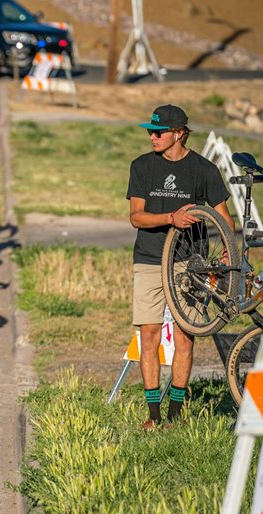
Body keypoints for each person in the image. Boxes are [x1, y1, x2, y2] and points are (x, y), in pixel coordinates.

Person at [127, 104, 234, 428]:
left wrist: (228, 258)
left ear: (179, 134)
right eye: (150, 130)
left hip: (189, 262)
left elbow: (224, 219)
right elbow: (136, 217)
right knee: (149, 335)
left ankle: (174, 412)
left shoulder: (204, 170)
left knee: (186, 335)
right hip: (148, 259)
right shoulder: (142, 166)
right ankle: (153, 414)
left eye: (158, 132)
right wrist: (170, 219)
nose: (152, 136)